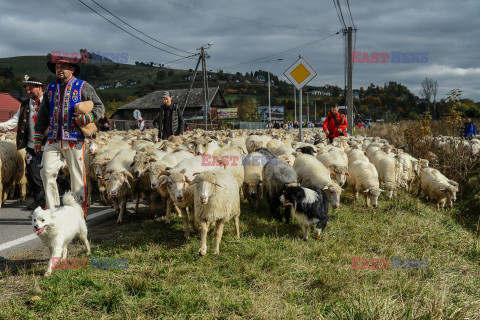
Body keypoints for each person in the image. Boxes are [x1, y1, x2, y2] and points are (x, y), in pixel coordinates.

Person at [34, 53, 104, 216]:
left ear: (72, 69)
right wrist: (38, 138)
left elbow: (100, 107)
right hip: (53, 139)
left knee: (77, 177)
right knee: (46, 172)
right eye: (57, 67)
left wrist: (87, 117)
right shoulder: (50, 88)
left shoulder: (83, 86)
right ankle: (52, 213)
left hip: (75, 139)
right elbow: (43, 114)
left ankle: (78, 215)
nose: (60, 70)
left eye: (63, 67)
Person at [0, 76, 46, 210]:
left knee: (51, 174)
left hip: (48, 146)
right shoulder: (25, 104)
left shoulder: (48, 103)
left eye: (31, 88)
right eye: (27, 88)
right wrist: (1, 125)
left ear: (39, 88)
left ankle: (55, 200)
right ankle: (39, 201)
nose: (28, 91)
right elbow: (14, 121)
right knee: (32, 175)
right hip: (31, 147)